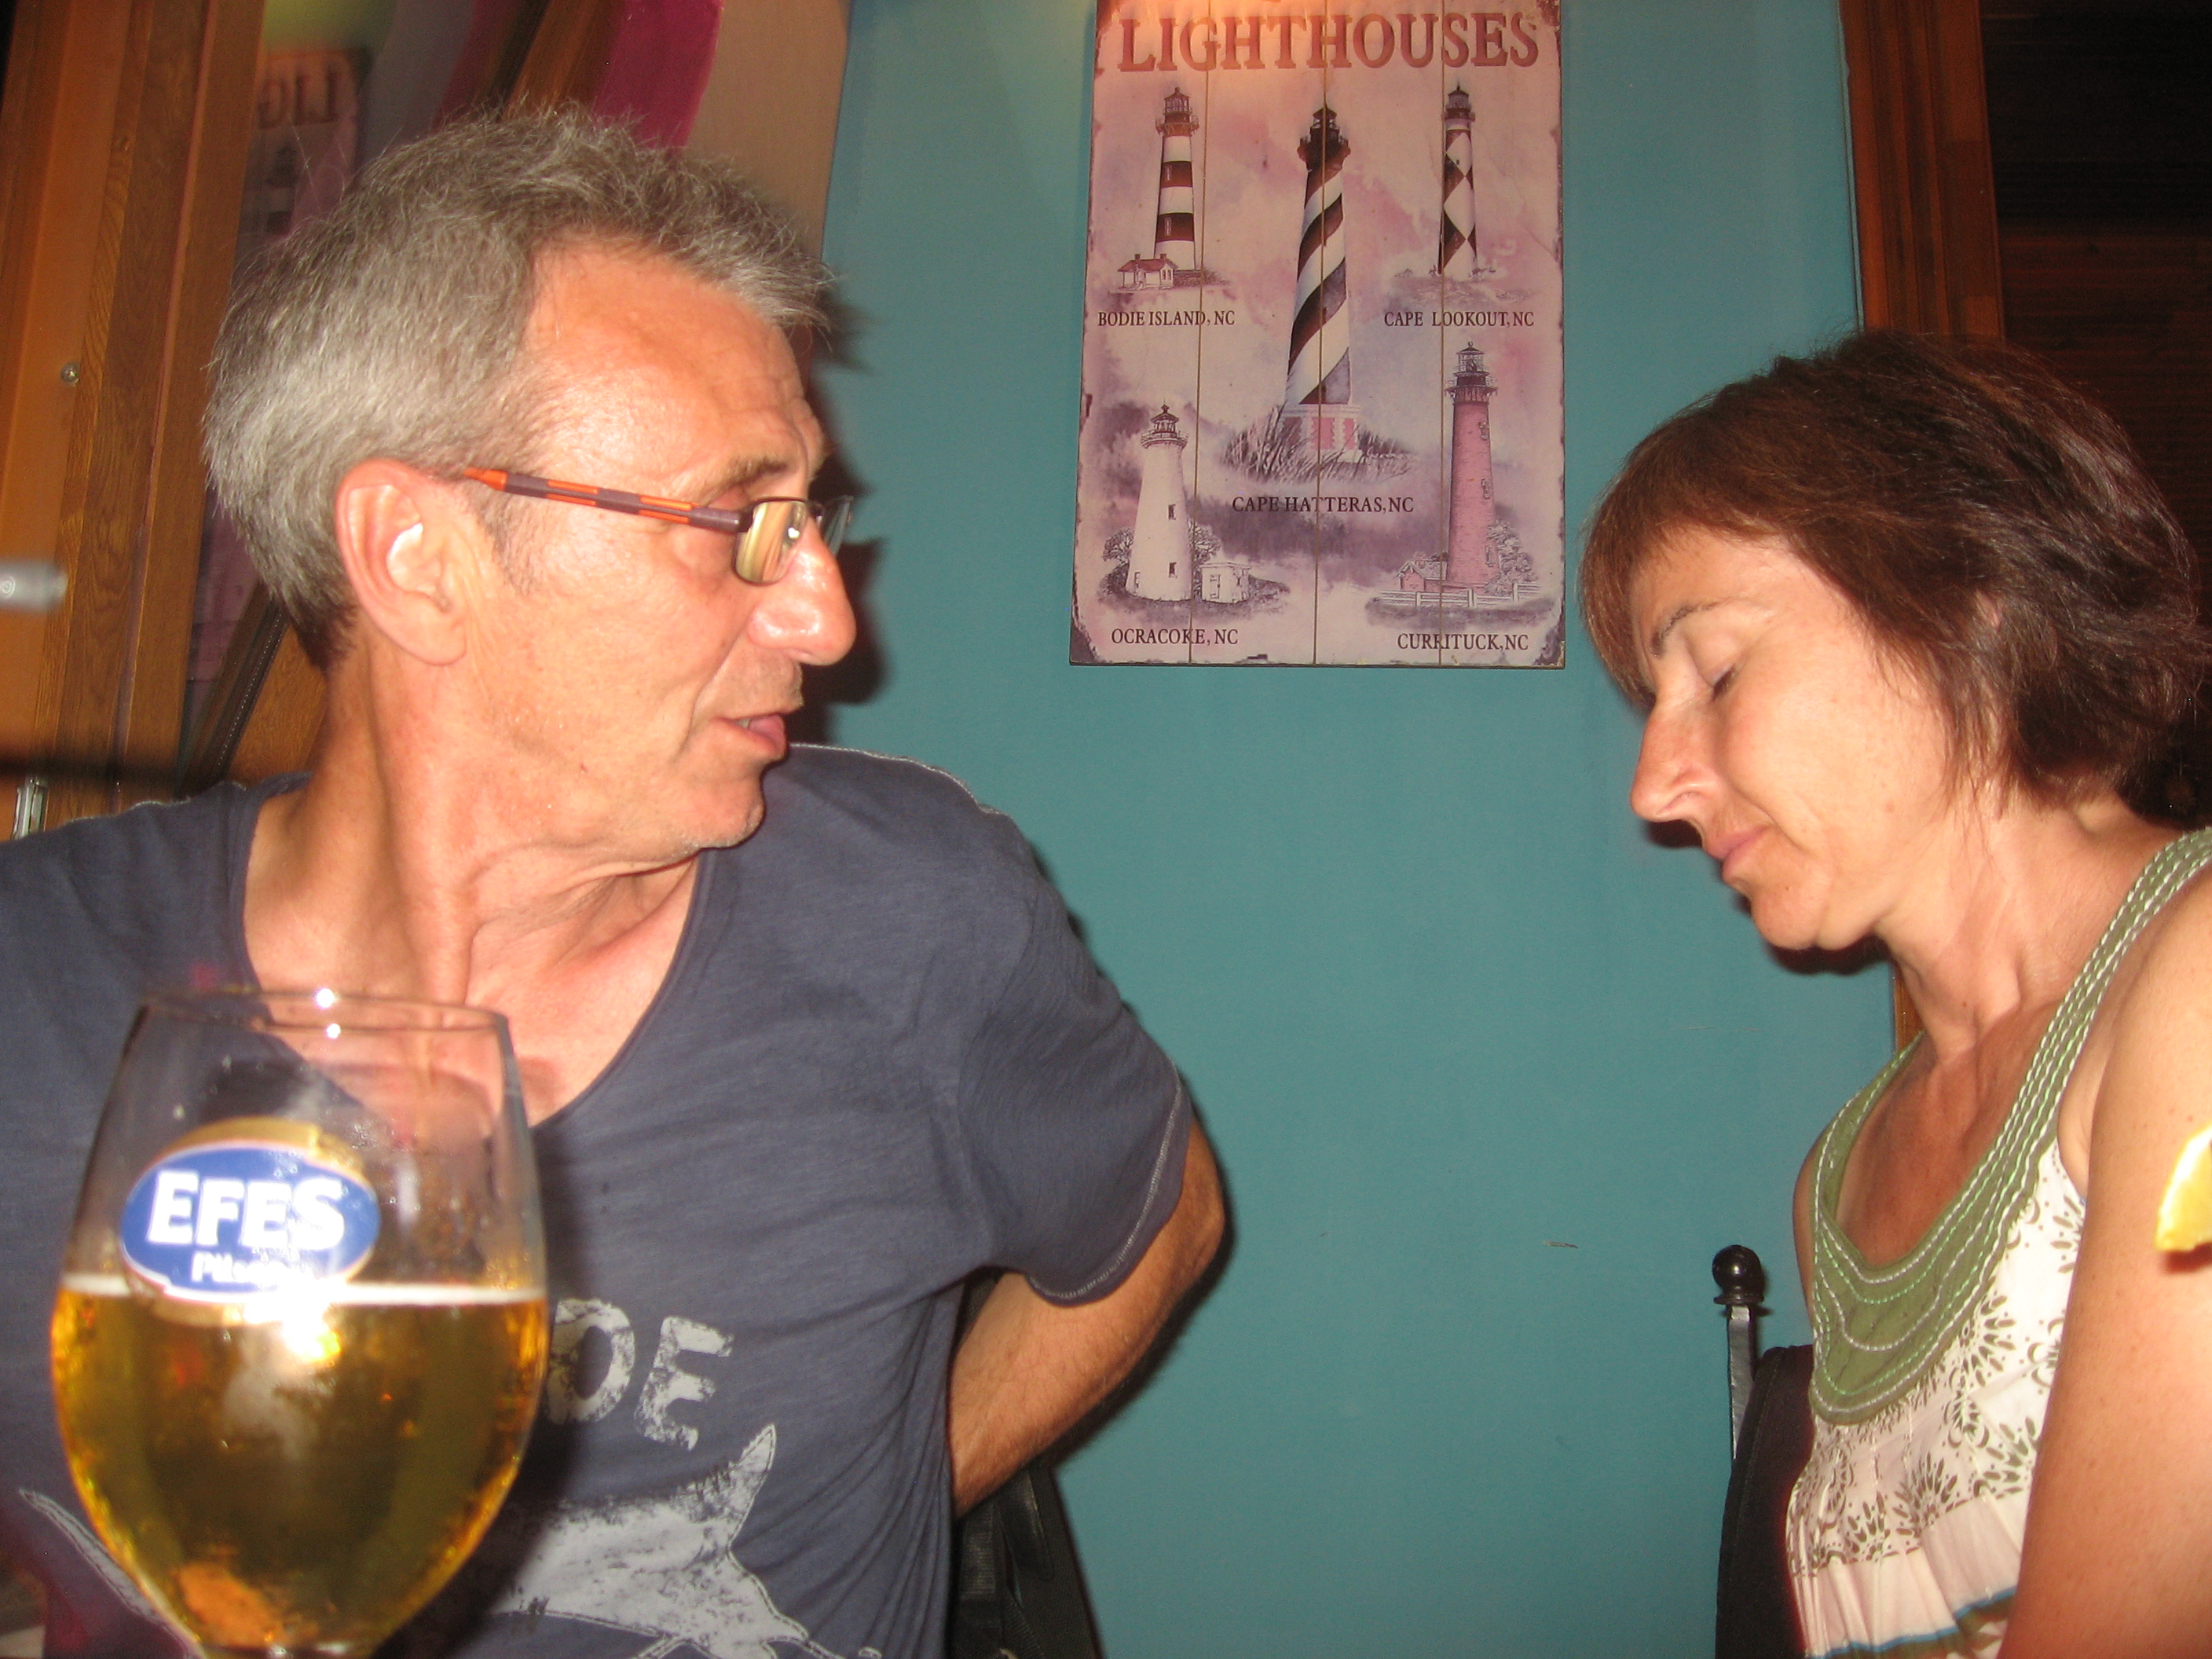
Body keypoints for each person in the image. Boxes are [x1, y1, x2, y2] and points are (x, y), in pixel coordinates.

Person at [0, 113, 1221, 1659]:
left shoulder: (914, 919)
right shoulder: (28, 985)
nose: (829, 619)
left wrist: (901, 1494)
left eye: (813, 519)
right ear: (417, 555)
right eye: (742, 524)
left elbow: (1160, 1218)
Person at [1581, 330, 2212, 1658]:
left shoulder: (2199, 980)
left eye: (1719, 673)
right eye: (1653, 703)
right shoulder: (1840, 1180)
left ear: (1965, 604)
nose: (1654, 786)